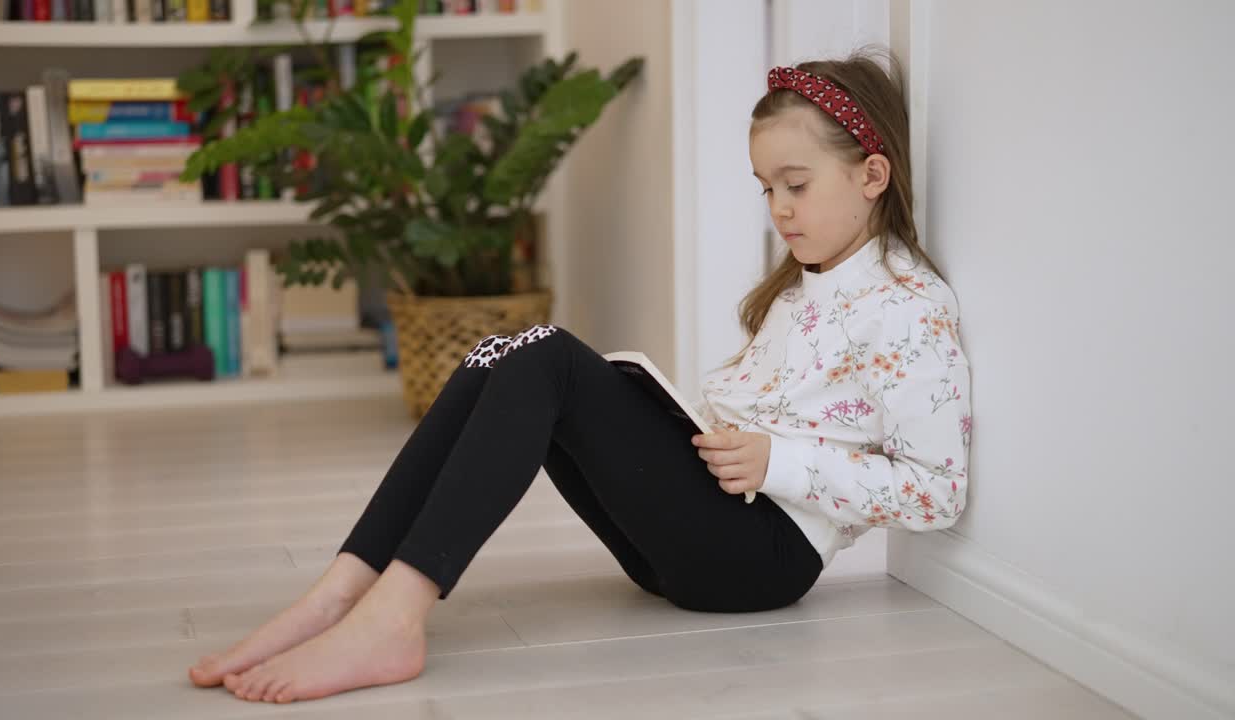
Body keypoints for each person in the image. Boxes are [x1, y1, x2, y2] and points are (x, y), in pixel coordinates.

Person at [187, 47, 972, 704]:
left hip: (761, 557)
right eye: (766, 189)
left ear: (873, 176)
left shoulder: (908, 306)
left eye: (796, 185)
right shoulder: (803, 286)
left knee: (549, 358)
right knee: (502, 355)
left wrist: (780, 462)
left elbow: (939, 488)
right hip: (701, 533)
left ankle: (393, 616)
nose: (778, 209)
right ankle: (342, 592)